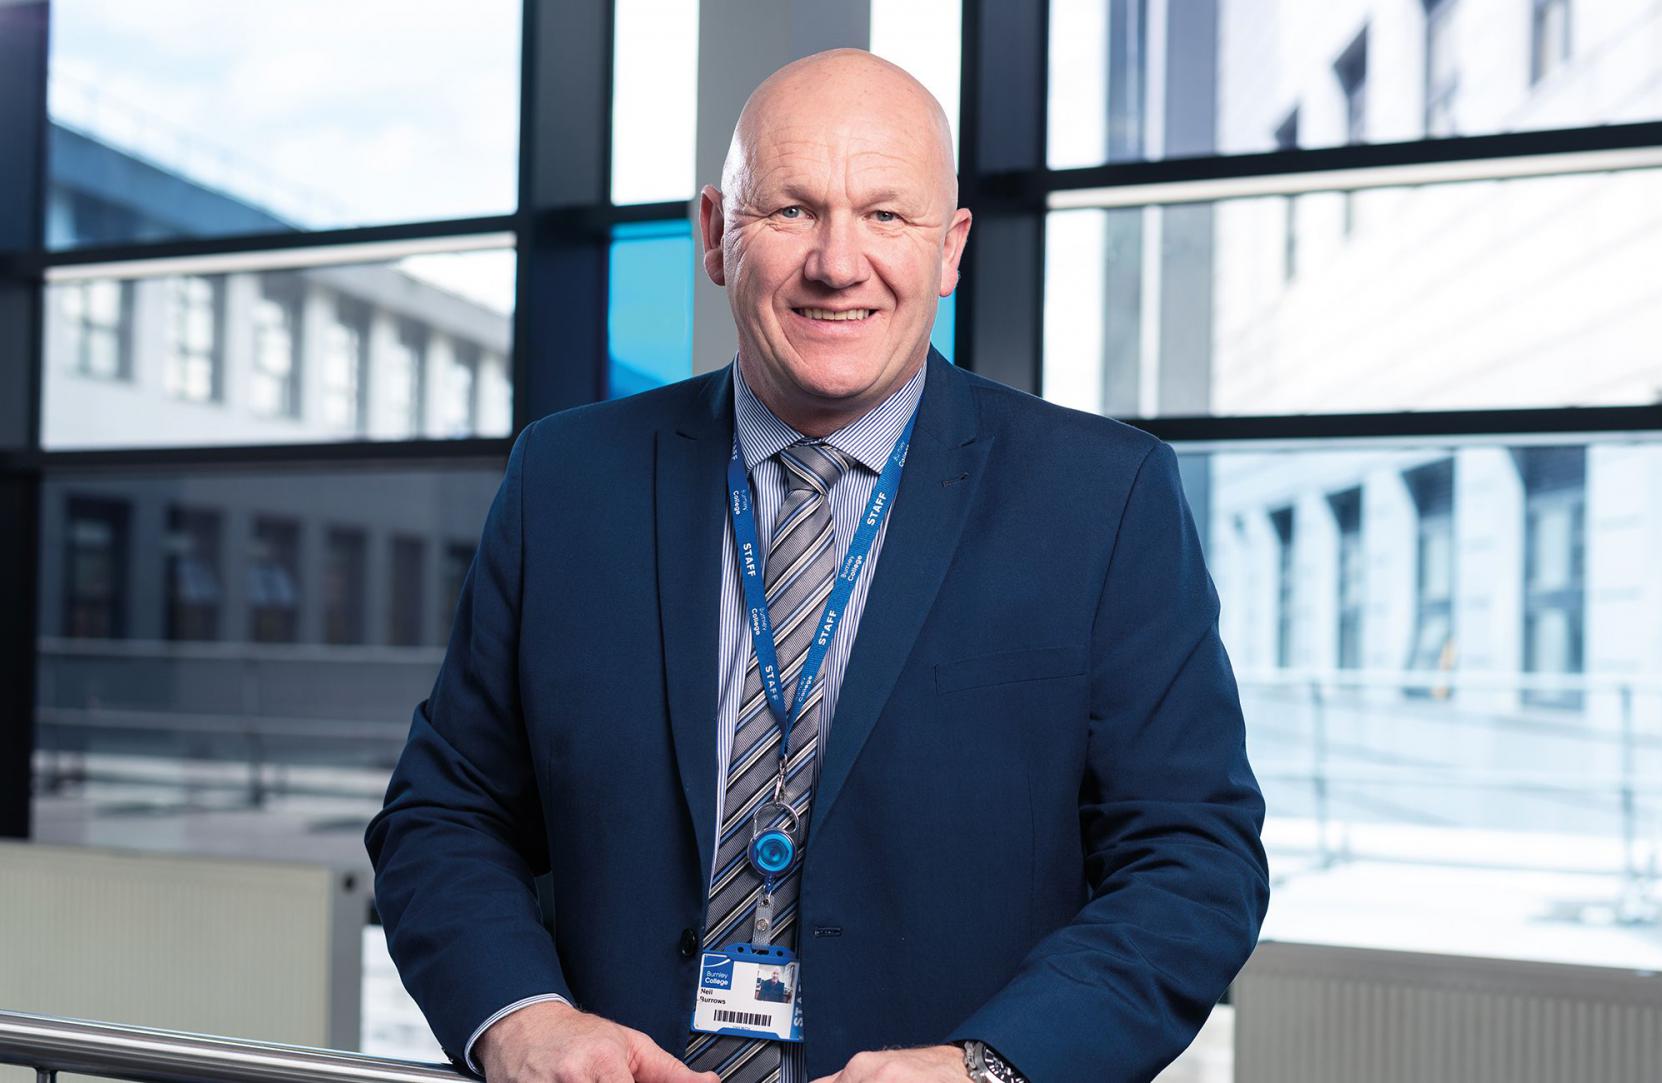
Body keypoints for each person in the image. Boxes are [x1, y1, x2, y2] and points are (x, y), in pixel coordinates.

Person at [366, 48, 1267, 1083]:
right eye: (790, 210)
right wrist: (519, 1021)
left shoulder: (1102, 499)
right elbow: (446, 814)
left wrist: (988, 1068)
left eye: (886, 215)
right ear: (712, 233)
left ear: (950, 248)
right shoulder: (566, 481)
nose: (838, 264)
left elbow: (1193, 865)